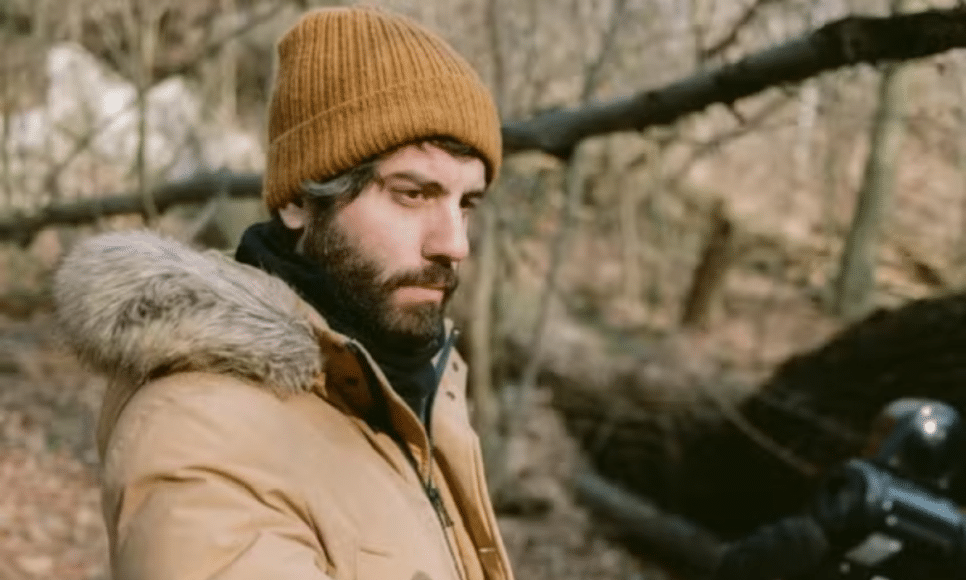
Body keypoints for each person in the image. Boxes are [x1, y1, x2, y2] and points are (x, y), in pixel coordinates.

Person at [52, 6, 512, 580]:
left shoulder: (412, 383)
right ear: (299, 200)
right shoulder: (203, 432)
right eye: (412, 194)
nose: (454, 244)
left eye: (466, 203)